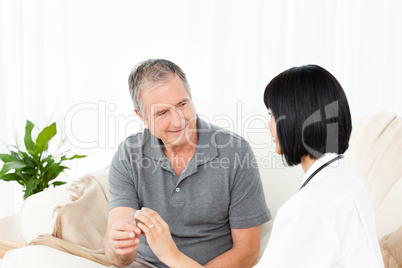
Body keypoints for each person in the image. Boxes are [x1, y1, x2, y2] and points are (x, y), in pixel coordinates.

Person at [102, 59, 271, 268]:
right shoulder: (129, 154)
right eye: (162, 113)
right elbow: (116, 250)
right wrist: (119, 246)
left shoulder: (235, 151)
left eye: (182, 104)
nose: (179, 121)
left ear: (191, 98)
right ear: (142, 118)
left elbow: (247, 252)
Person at [254, 65, 384, 267]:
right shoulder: (346, 181)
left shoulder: (308, 206)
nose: (268, 126)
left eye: (272, 115)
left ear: (294, 118)